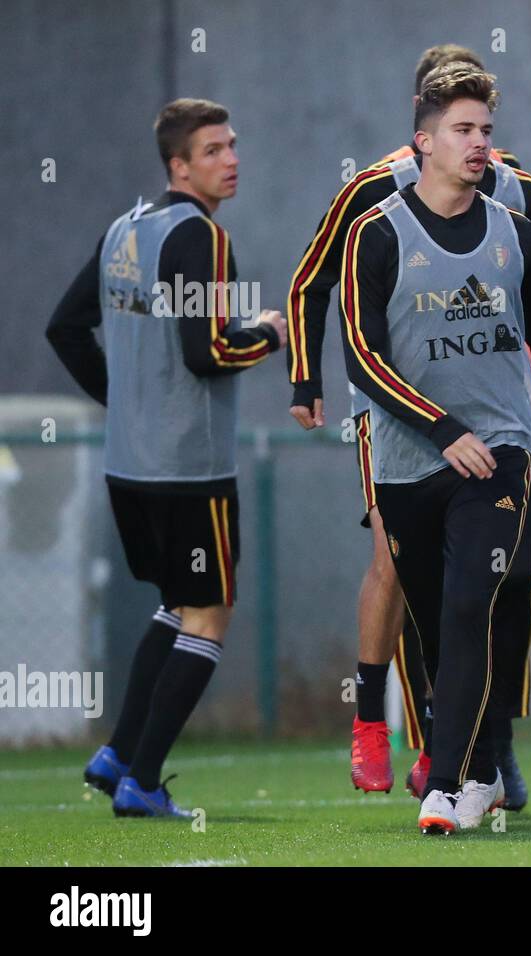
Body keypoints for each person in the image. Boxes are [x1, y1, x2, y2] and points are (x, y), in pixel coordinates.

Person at [286, 44, 531, 808]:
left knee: (504, 582)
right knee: (403, 569)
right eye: (454, 120)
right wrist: (303, 377)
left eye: (481, 122)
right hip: (398, 412)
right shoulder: (375, 199)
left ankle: (488, 749)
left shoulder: (520, 197)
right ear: (423, 125)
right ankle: (392, 729)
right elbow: (314, 282)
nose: (473, 138)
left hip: (504, 421)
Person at [47, 98, 287, 817]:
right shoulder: (199, 237)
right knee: (210, 616)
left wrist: (125, 405)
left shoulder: (128, 227)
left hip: (130, 465)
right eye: (213, 150)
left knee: (177, 607)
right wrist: (269, 333)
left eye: (233, 145)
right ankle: (142, 783)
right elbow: (208, 350)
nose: (231, 159)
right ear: (178, 165)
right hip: (189, 468)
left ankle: (117, 751)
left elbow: (65, 328)